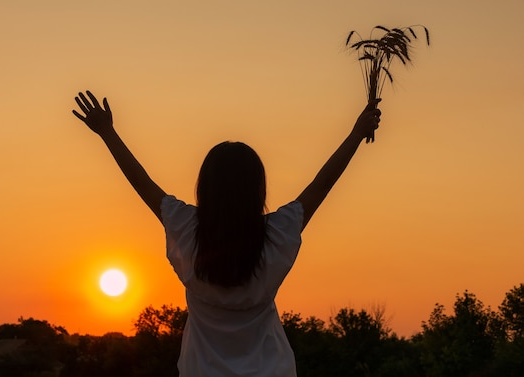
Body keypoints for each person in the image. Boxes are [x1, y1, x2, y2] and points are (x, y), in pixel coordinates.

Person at [73, 90, 381, 377]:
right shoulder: (277, 235)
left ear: (205, 187)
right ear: (257, 190)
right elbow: (322, 183)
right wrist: (355, 134)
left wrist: (108, 133)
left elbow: (142, 183)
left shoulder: (186, 230)